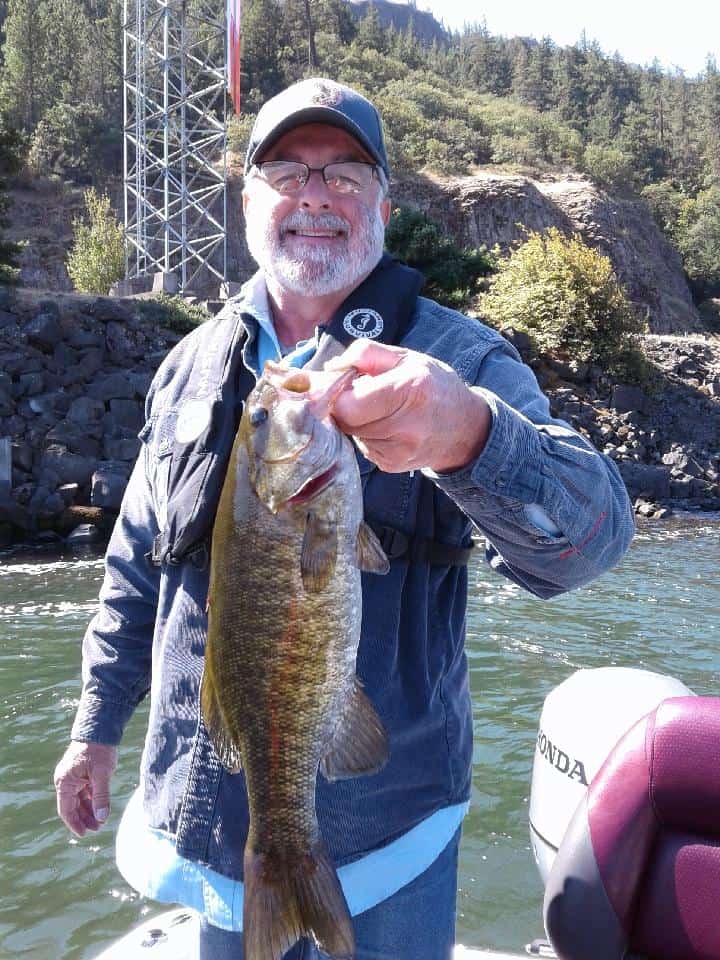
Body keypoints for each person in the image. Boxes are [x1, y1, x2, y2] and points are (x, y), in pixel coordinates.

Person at [54, 78, 635, 959]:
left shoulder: (460, 358)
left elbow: (592, 543)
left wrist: (470, 433)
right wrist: (96, 726)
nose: (314, 196)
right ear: (247, 201)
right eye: (287, 172)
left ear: (385, 208)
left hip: (389, 845)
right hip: (208, 839)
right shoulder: (189, 365)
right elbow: (138, 562)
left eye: (346, 175)